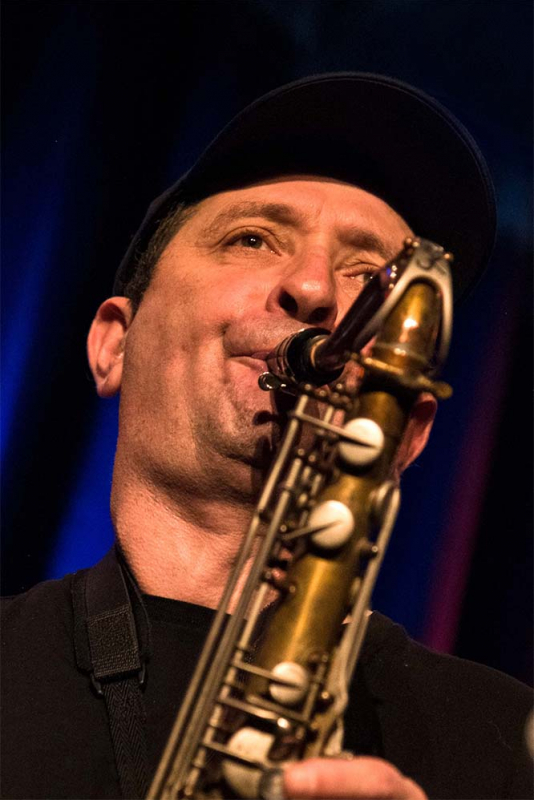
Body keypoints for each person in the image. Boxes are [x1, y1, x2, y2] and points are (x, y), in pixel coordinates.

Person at [2, 74, 532, 800]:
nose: (313, 291)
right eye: (251, 239)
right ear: (114, 345)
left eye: (367, 274)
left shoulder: (508, 747)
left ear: (407, 429)